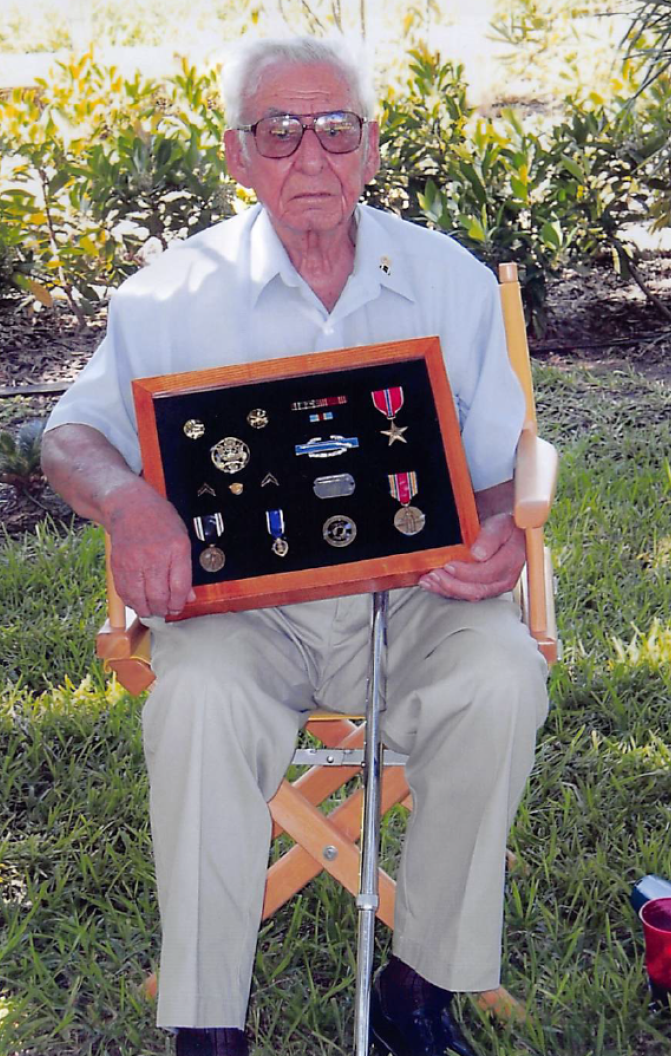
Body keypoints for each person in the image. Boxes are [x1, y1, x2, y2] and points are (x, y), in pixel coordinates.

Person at [42, 34, 548, 1056]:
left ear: (369, 147)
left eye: (334, 130)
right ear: (236, 155)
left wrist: (499, 526)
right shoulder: (171, 294)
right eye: (278, 132)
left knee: (501, 678)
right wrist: (131, 508)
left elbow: (504, 454)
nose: (308, 157)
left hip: (419, 590)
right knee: (196, 700)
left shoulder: (442, 278)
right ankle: (206, 1027)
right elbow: (69, 435)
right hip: (244, 613)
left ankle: (419, 989)